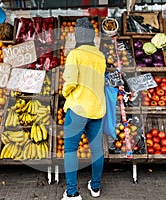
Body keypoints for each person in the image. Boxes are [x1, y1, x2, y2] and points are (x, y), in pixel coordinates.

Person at [61, 17, 107, 200]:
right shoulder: (100, 55)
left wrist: (65, 93)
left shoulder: (75, 54)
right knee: (97, 150)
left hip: (78, 109)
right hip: (97, 109)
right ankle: (95, 187)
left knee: (70, 149)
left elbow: (70, 82)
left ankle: (72, 193)